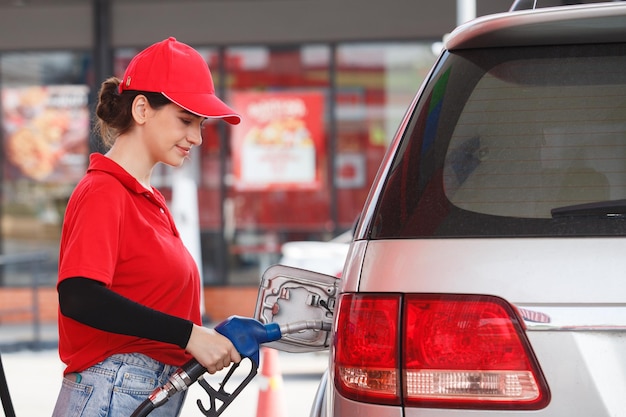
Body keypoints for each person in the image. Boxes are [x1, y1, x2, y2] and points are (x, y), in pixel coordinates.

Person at [52, 37, 242, 417]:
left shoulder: (147, 199)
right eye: (186, 120)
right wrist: (189, 335)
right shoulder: (105, 190)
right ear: (141, 109)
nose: (197, 137)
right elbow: (79, 294)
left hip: (140, 391)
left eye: (201, 125)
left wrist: (211, 336)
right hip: (113, 391)